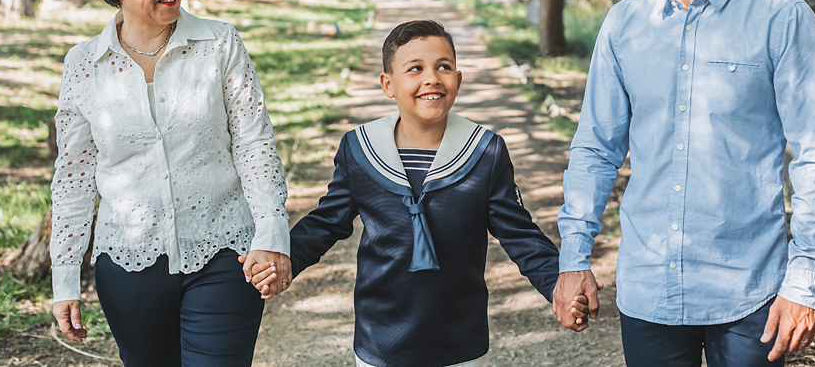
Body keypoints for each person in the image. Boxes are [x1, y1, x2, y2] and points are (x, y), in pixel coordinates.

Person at [552, 0, 815, 366]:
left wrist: (804, 280)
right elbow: (596, 150)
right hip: (648, 291)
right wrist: (573, 257)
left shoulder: (781, 20)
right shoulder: (623, 25)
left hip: (751, 293)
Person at [247, 20, 576, 367]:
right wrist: (281, 259)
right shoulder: (359, 149)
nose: (432, 78)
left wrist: (559, 285)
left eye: (443, 67)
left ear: (458, 80)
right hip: (380, 340)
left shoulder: (485, 151)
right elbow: (326, 223)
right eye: (415, 69)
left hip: (460, 342)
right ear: (388, 84)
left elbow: (519, 234)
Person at [50, 0, 292, 367]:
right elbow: (74, 176)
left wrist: (271, 234)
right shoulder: (84, 64)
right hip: (128, 265)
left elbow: (254, 143)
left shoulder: (220, 43)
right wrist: (65, 276)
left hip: (225, 253)